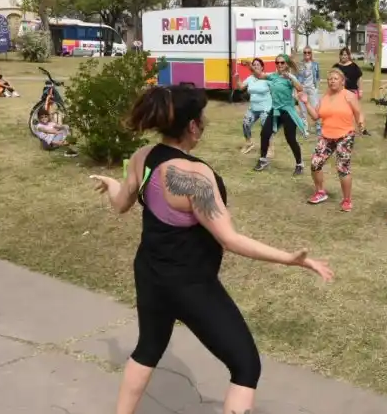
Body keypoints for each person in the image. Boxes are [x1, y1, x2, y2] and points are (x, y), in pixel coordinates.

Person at [88, 85, 333, 414]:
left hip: (150, 273)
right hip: (190, 284)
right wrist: (289, 259)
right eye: (201, 119)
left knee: (148, 348)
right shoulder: (193, 178)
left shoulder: (142, 158)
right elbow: (229, 239)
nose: (203, 124)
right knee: (246, 366)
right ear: (192, 126)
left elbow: (121, 204)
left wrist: (111, 185)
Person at [300, 69, 365, 211]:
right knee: (315, 164)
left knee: (342, 168)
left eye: (335, 78)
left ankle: (347, 200)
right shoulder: (324, 97)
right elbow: (316, 116)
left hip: (345, 135)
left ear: (342, 81)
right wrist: (306, 103)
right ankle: (320, 192)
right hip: (326, 135)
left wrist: (361, 124)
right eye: (330, 79)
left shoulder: (349, 96)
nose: (332, 81)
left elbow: (358, 113)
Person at [242, 55, 307, 174]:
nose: (279, 65)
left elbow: (300, 88)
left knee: (290, 138)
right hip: (275, 110)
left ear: (286, 64)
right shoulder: (273, 76)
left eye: (282, 63)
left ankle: (299, 164)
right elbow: (259, 75)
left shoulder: (290, 77)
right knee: (265, 133)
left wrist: (291, 79)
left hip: (287, 111)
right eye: (277, 63)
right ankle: (263, 160)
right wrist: (250, 66)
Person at [234, 58, 273, 156]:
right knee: (245, 123)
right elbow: (241, 87)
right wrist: (237, 78)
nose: (255, 66)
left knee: (266, 128)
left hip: (265, 108)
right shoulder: (250, 78)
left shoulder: (266, 77)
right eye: (254, 64)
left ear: (262, 67)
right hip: (254, 108)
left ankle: (270, 148)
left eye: (257, 65)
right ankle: (249, 143)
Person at [296, 47, 321, 138]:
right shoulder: (300, 64)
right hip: (302, 89)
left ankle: (318, 127)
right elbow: (296, 77)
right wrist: (298, 89)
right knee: (303, 110)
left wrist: (315, 87)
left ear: (311, 53)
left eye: (309, 52)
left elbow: (318, 76)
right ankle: (305, 129)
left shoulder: (315, 64)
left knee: (315, 108)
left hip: (312, 88)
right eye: (305, 52)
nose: (307, 54)